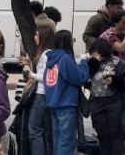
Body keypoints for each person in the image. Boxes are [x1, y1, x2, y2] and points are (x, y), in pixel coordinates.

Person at [44, 30, 89, 155]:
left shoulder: (51, 58)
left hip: (54, 104)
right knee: (66, 144)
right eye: (72, 40)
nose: (73, 42)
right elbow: (80, 78)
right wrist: (84, 62)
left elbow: (47, 80)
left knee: (58, 142)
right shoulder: (65, 58)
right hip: (66, 106)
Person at [87, 39, 125, 155]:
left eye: (101, 54)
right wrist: (93, 63)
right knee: (101, 131)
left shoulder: (117, 62)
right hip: (95, 99)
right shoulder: (88, 62)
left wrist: (113, 80)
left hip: (113, 100)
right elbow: (85, 79)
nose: (99, 56)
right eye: (96, 53)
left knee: (115, 131)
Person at [25, 26, 55, 155]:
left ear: (43, 37)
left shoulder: (45, 54)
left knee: (34, 130)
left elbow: (45, 77)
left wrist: (30, 74)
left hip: (41, 94)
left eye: (37, 35)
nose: (35, 37)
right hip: (46, 94)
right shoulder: (48, 52)